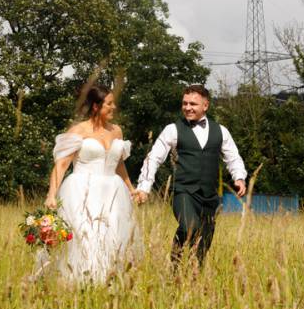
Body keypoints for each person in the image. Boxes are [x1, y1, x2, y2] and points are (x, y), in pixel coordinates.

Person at [135, 84, 247, 266]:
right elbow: (153, 158)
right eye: (185, 103)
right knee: (189, 227)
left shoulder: (221, 131)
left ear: (206, 106)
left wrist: (239, 177)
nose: (187, 108)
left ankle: (192, 277)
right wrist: (144, 187)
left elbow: (233, 157)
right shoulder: (172, 129)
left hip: (210, 196)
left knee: (204, 240)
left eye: (193, 104)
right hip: (184, 192)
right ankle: (175, 262)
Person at [43, 84, 141, 283]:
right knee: (86, 238)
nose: (113, 108)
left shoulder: (117, 131)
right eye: (109, 104)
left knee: (113, 238)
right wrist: (51, 194)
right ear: (96, 106)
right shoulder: (79, 131)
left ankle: (108, 283)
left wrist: (131, 188)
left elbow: (119, 164)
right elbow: (61, 165)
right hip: (82, 191)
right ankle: (80, 282)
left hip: (113, 193)